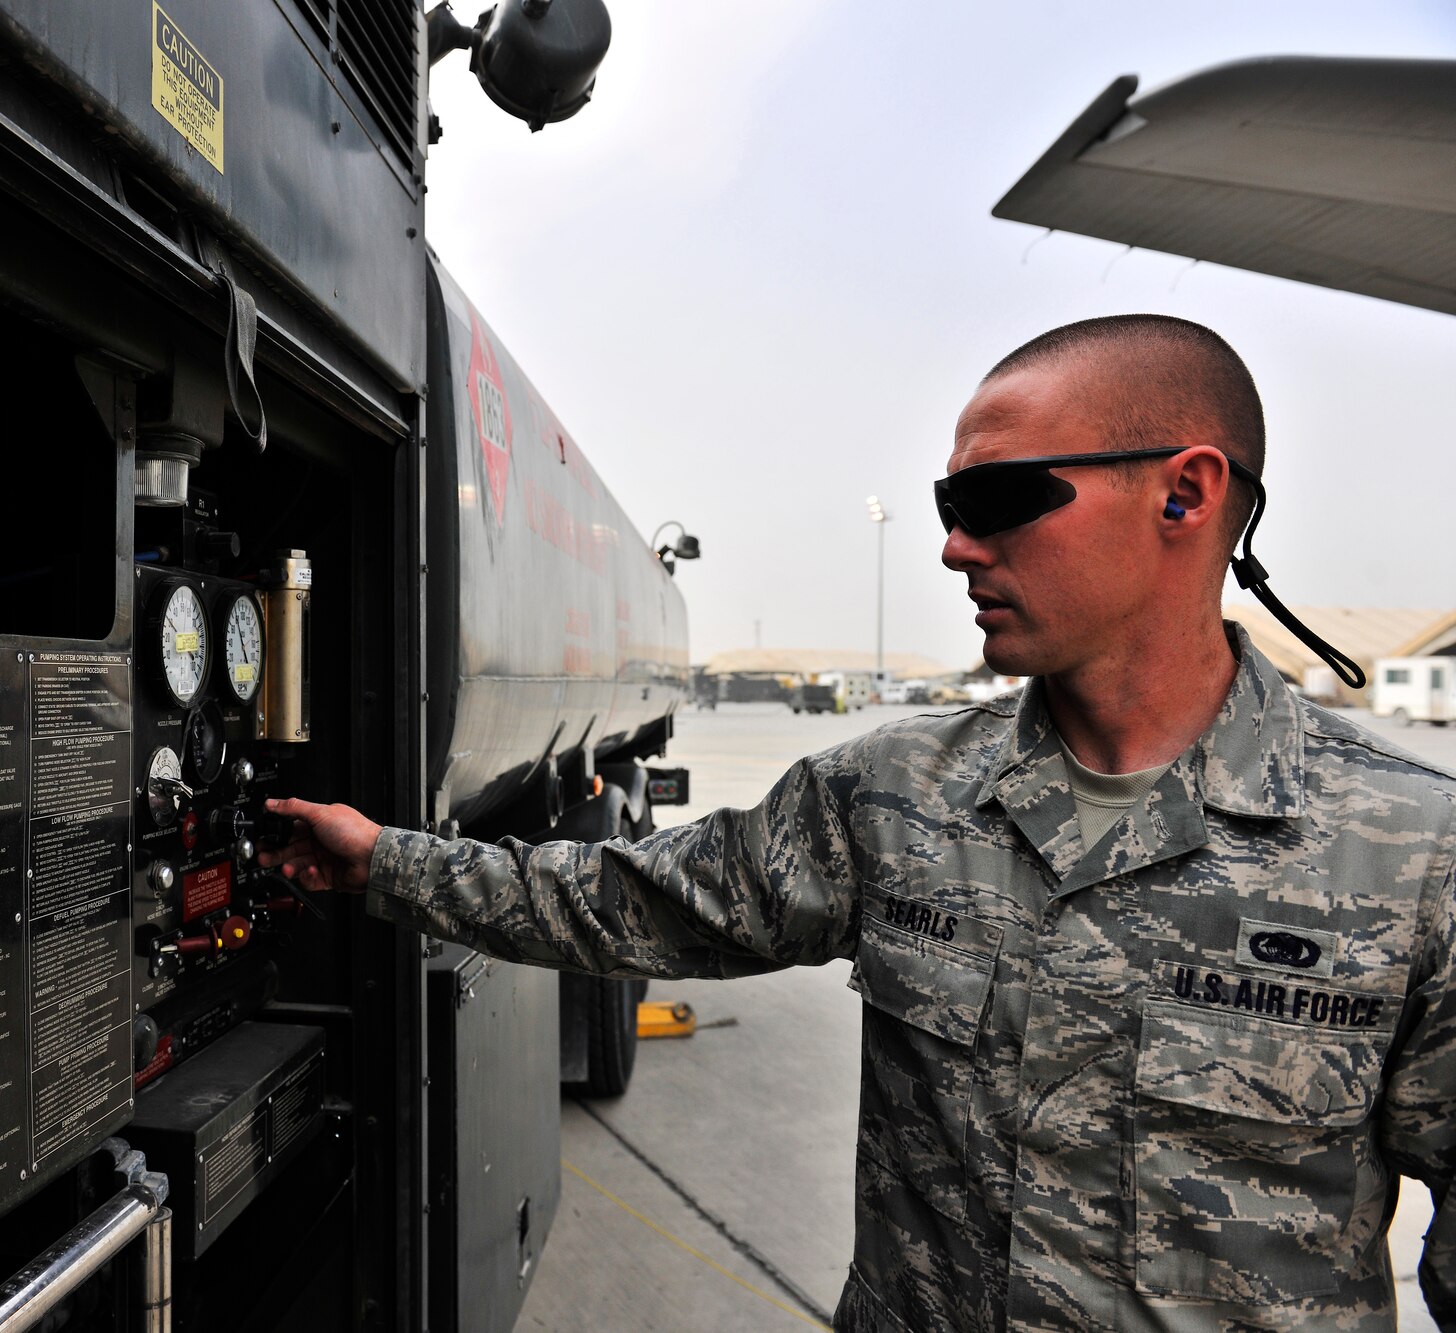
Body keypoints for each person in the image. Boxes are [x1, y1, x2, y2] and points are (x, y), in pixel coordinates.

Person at [259, 315, 1456, 1332]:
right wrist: (384, 863)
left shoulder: (1411, 855)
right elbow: (631, 898)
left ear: (1184, 493)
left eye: (993, 496)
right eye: (943, 503)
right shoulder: (891, 793)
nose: (950, 543)